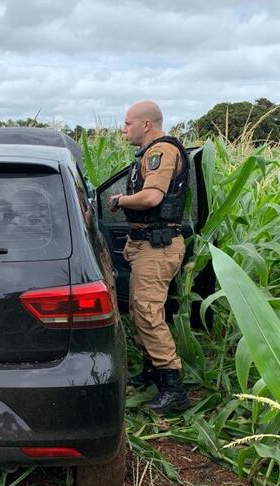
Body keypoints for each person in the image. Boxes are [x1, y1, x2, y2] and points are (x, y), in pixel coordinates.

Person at [108, 100, 190, 414]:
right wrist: (132, 237)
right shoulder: (147, 155)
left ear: (146, 124)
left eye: (128, 123)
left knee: (148, 313)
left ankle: (174, 388)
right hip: (147, 244)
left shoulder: (161, 152)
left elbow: (153, 197)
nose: (123, 128)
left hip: (159, 249)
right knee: (141, 311)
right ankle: (152, 372)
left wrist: (119, 200)